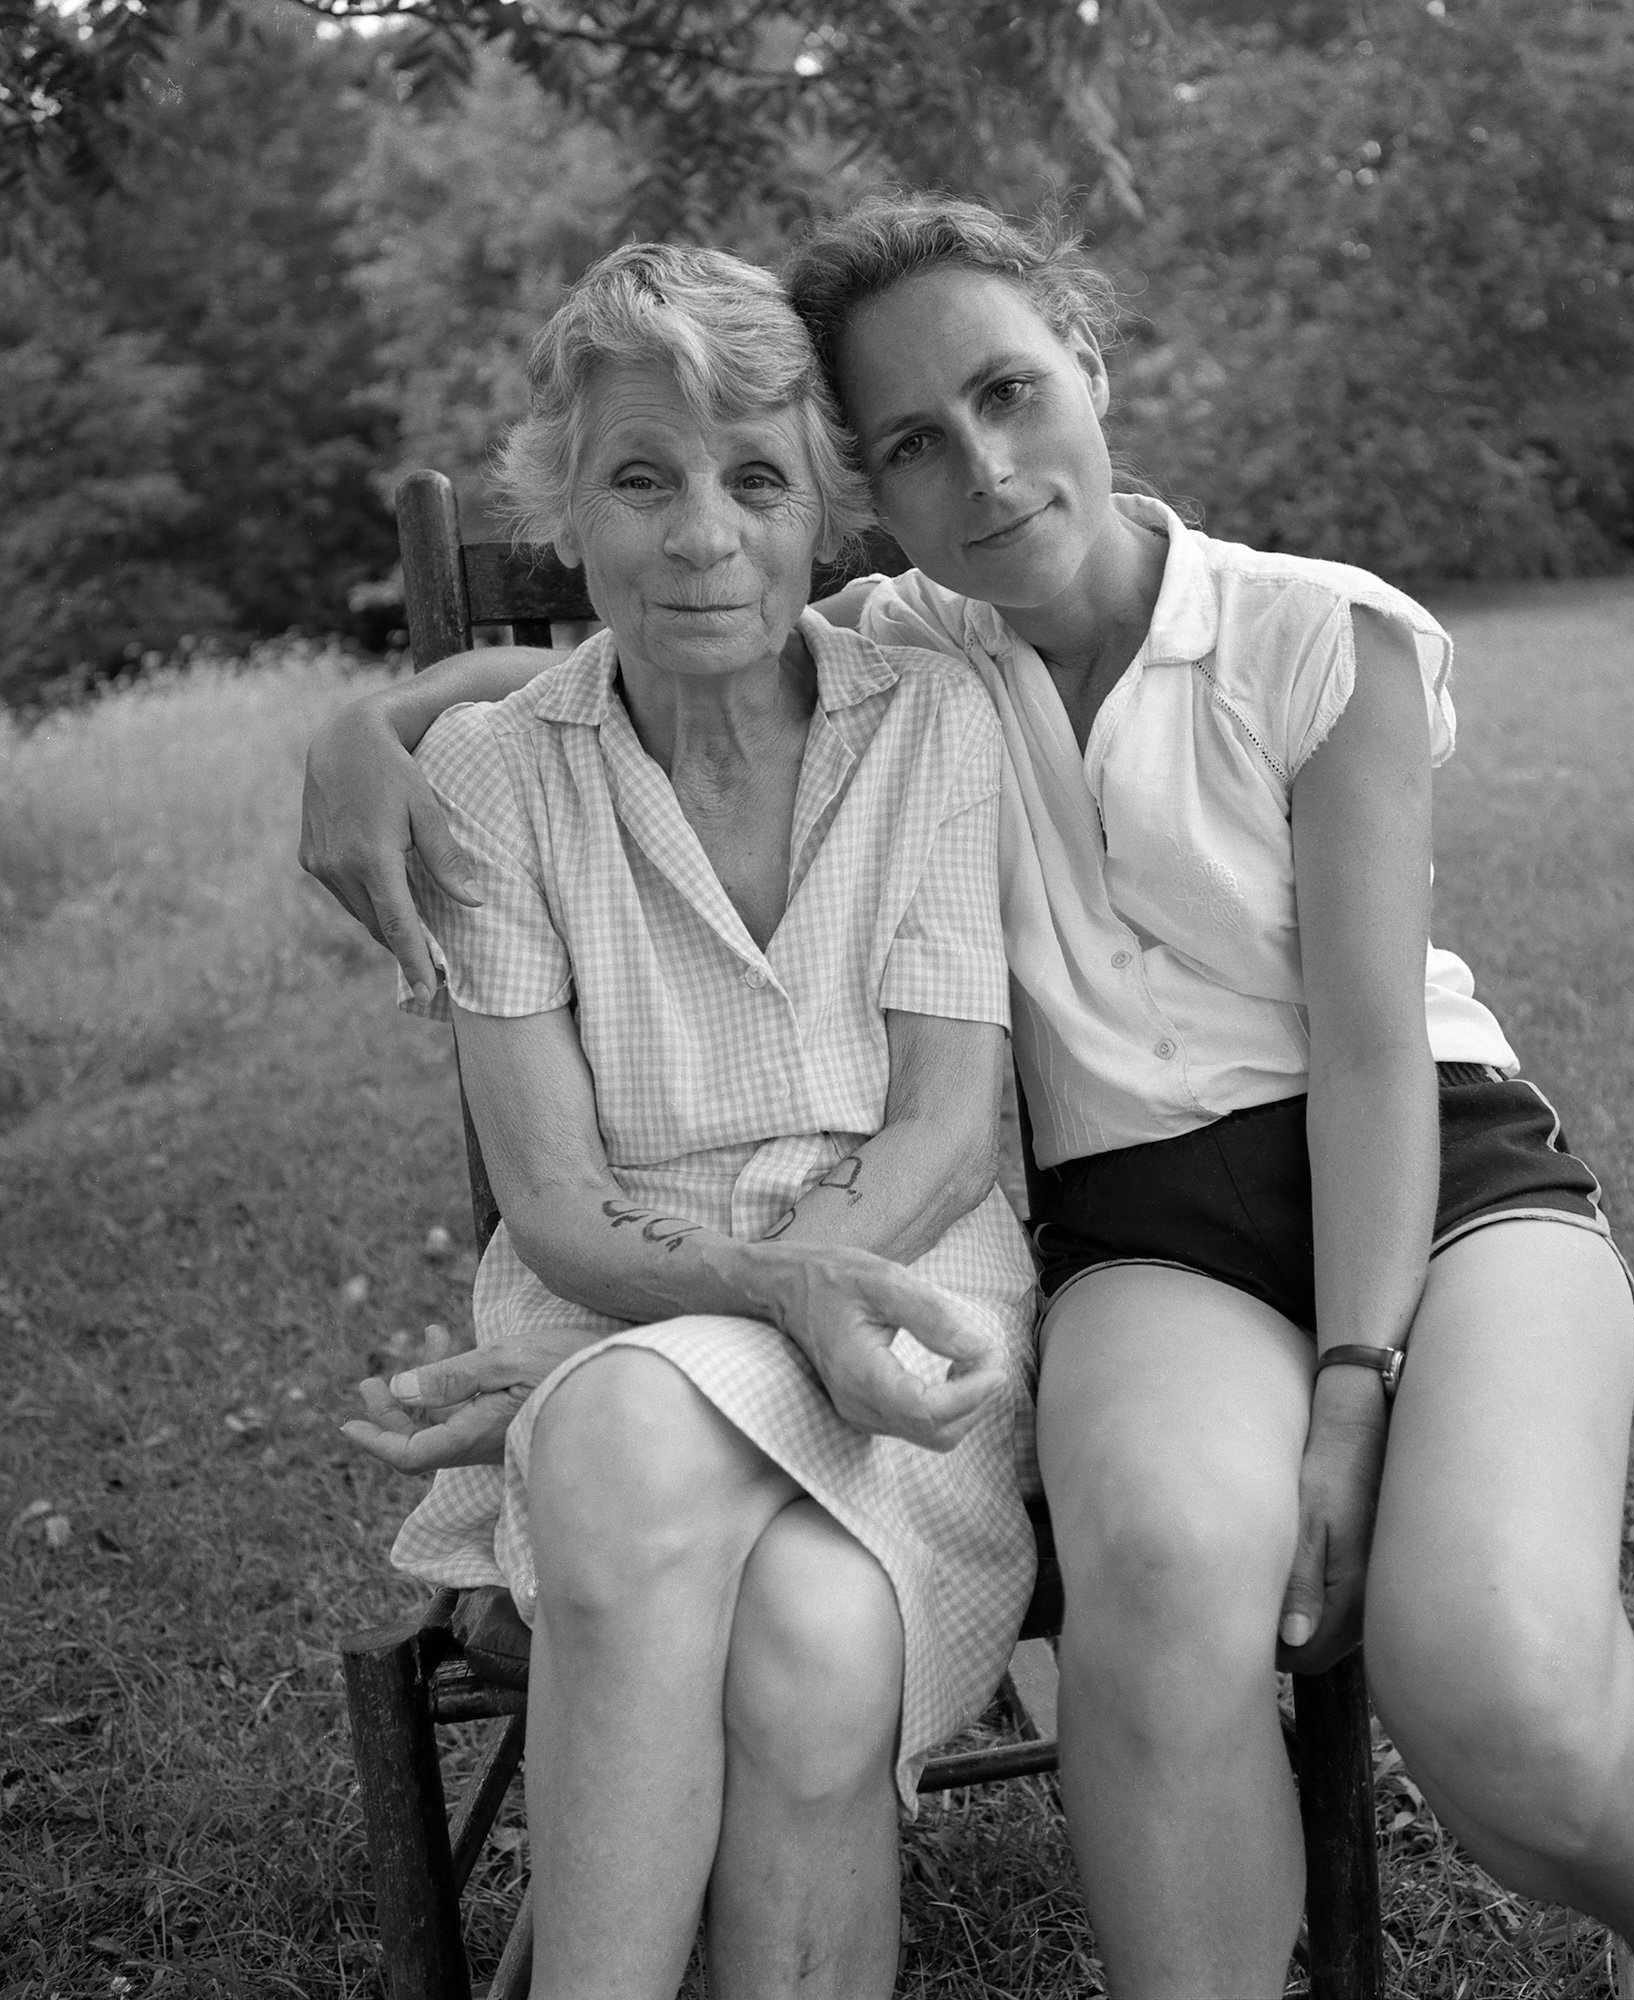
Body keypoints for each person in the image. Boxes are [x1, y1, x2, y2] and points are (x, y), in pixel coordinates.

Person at [307, 198, 1634, 1999]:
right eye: (914, 443)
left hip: (1438, 1177)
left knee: (1495, 1685)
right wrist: (354, 735)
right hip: (1146, 1230)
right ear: (877, 492)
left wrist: (1351, 1393)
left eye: (1008, 391)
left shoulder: (1317, 641)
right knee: (1156, 1568)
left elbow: (1377, 1057)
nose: (983, 471)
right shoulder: (923, 643)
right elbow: (603, 663)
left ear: (1089, 358)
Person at [335, 239, 1042, 2000]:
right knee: (783, 1618)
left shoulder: (930, 722)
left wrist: (804, 1300)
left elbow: (947, 1133)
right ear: (569, 510)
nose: (702, 537)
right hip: (626, 1303)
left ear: (826, 516)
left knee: (647, 1472)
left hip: (911, 1308)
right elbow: (558, 1205)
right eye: (640, 480)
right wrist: (770, 1302)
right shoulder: (495, 780)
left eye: (755, 480)